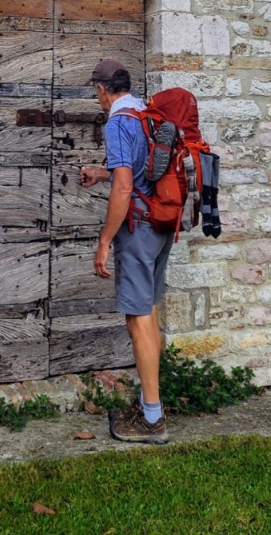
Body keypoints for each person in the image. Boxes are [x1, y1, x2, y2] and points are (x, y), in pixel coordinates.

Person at [77, 58, 172, 444]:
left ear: (102, 89)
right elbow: (142, 171)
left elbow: (123, 189)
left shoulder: (118, 122)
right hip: (162, 225)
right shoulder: (146, 113)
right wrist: (103, 172)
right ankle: (152, 405)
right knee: (148, 312)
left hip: (137, 230)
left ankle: (152, 420)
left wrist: (103, 241)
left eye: (95, 92)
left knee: (139, 320)